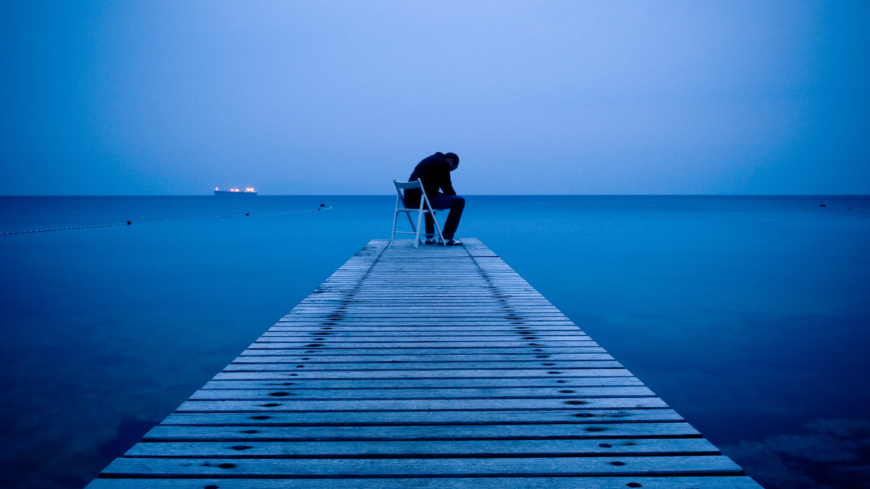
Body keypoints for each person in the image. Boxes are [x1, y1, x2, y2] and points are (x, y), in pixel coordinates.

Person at [404, 152, 465, 246]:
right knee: (460, 201)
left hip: (409, 201)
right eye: (451, 169)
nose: (449, 171)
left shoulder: (429, 160)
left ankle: (430, 236)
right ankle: (446, 238)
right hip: (422, 200)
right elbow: (446, 186)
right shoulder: (443, 163)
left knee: (431, 198)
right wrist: (454, 197)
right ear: (451, 161)